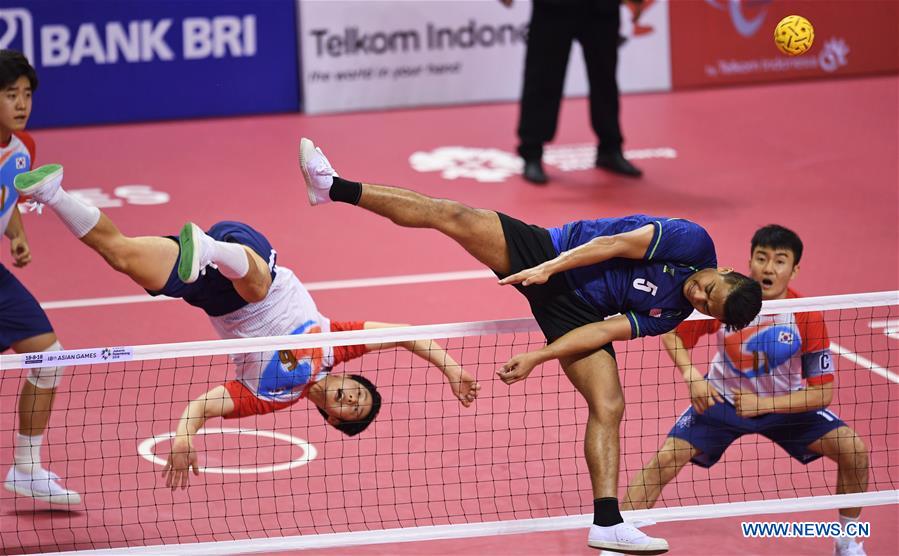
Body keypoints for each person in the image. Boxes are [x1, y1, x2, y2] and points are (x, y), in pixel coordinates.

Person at [298, 137, 762, 554]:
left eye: (708, 307)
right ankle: (333, 187)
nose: (699, 298)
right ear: (724, 272)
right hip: (550, 252)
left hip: (574, 313)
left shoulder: (673, 313)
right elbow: (614, 244)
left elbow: (602, 332)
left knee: (610, 404)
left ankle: (607, 522)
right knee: (453, 215)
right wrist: (549, 266)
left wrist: (539, 356)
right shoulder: (692, 243)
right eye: (707, 289)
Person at [14, 164, 480, 491]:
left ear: (333, 418)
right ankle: (212, 249)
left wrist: (182, 437)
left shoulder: (269, 397)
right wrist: (451, 367)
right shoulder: (336, 346)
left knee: (121, 255)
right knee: (256, 288)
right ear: (347, 377)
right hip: (252, 261)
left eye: (351, 410)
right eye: (358, 393)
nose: (351, 399)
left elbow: (203, 405)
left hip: (210, 292)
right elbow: (400, 332)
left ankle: (52, 192)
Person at [621, 225, 870, 556]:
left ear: (794, 269)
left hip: (786, 409)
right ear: (749, 261)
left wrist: (764, 402)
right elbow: (673, 335)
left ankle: (847, 542)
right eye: (761, 258)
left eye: (780, 261)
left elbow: (822, 394)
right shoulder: (726, 300)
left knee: (854, 451)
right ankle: (618, 544)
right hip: (721, 401)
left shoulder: (807, 315)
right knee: (665, 459)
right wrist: (692, 374)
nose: (768, 268)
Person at [0, 49, 81, 507]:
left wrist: (17, 234)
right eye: (10, 94)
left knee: (48, 358)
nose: (21, 103)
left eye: (26, 94)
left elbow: (9, 196)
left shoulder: (23, 147)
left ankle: (26, 467)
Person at [500, 0, 646, 184]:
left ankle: (610, 149)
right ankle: (532, 152)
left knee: (605, 79)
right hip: (553, 7)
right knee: (542, 77)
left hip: (602, 8)